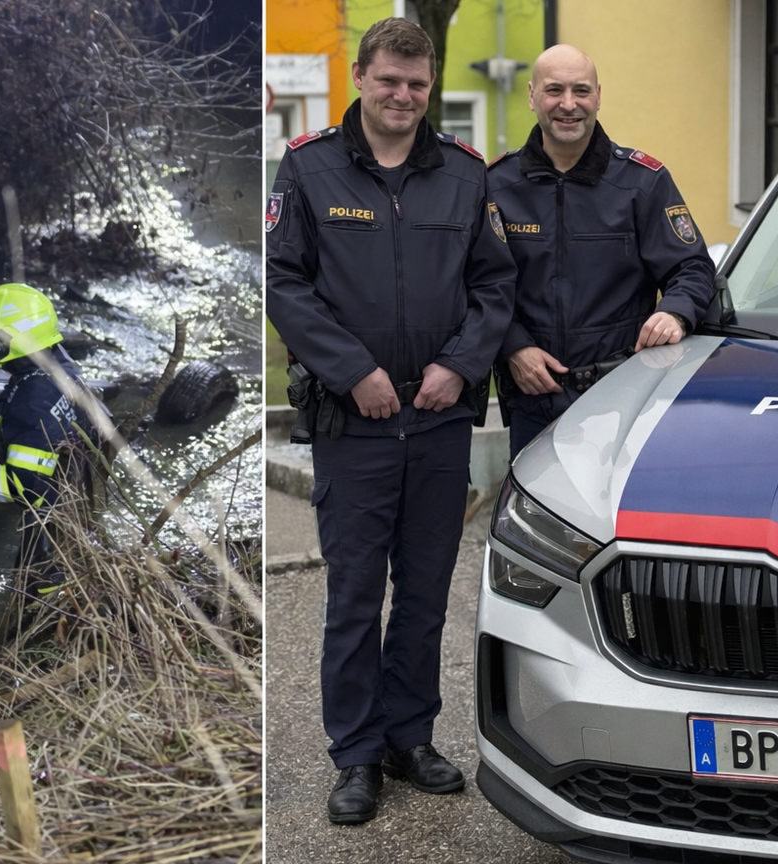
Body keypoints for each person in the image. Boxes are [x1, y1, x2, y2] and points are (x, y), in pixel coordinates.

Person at [266, 17, 516, 826]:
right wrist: (354, 372)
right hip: (357, 422)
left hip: (440, 419)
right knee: (353, 596)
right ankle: (358, 755)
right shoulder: (308, 170)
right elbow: (285, 284)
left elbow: (494, 286)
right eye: (389, 80)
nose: (403, 95)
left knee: (426, 595)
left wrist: (460, 365)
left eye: (417, 83)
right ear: (361, 79)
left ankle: (412, 737)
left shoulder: (465, 174)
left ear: (429, 85)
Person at [488, 45, 716, 458]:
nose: (569, 104)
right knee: (534, 517)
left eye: (581, 90)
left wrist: (676, 311)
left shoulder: (642, 183)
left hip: (623, 397)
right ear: (532, 95)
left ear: (598, 95)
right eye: (554, 90)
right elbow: (479, 283)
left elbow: (693, 266)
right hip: (532, 402)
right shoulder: (497, 185)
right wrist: (512, 347)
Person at [0, 282, 98, 595]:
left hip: (50, 533)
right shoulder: (57, 368)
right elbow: (37, 438)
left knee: (33, 595)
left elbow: (25, 482)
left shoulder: (32, 399)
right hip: (76, 506)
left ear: (9, 341)